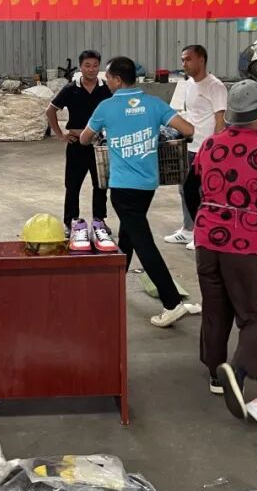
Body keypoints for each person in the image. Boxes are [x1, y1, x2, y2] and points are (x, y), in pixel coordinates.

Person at [183, 79, 257, 421]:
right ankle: (238, 372)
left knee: (216, 307)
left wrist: (205, 218)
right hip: (246, 243)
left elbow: (189, 188)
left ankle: (216, 373)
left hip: (207, 240)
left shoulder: (210, 144)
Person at [80, 57, 201, 327]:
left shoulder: (106, 107)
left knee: (144, 243)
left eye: (108, 78)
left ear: (117, 79)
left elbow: (85, 138)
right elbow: (189, 130)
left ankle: (172, 303)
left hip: (122, 188)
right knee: (128, 236)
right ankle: (113, 286)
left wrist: (106, 131)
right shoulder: (154, 104)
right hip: (147, 185)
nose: (107, 83)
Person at [165, 45, 227, 250]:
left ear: (201, 60)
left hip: (206, 148)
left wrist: (216, 150)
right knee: (184, 189)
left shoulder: (215, 86)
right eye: (183, 60)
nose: (184, 64)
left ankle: (203, 233)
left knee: (202, 192)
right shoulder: (189, 84)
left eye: (188, 59)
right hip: (190, 145)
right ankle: (188, 229)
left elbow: (220, 121)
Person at [46, 50, 111, 242]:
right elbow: (50, 110)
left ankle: (99, 221)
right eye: (87, 65)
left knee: (100, 185)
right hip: (76, 144)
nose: (91, 69)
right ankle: (70, 222)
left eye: (95, 65)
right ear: (80, 67)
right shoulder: (70, 89)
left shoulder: (106, 89)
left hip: (99, 145)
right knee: (72, 185)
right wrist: (61, 134)